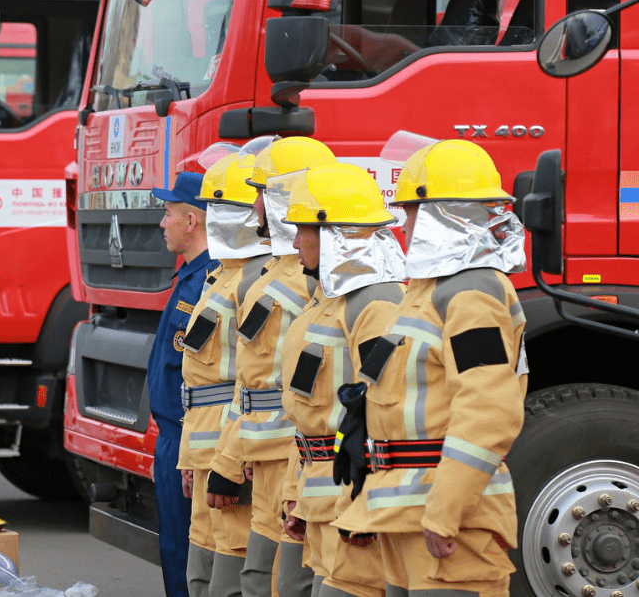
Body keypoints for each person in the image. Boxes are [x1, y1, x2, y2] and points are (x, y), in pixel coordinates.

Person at [333, 138, 527, 596]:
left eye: (415, 211)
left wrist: (445, 511)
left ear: (449, 213)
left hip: (448, 527)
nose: (405, 223)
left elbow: (489, 411)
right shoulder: (422, 294)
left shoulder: (471, 293)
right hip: (406, 518)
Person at [209, 136, 335, 597]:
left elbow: (287, 389)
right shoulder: (277, 274)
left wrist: (231, 456)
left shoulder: (304, 281)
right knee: (262, 581)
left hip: (287, 457)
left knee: (277, 583)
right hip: (268, 459)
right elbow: (249, 383)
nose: (256, 205)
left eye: (263, 192)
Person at [280, 163, 406, 597]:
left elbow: (379, 415)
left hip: (350, 502)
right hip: (321, 498)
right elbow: (309, 416)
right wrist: (296, 496)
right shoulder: (330, 301)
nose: (294, 242)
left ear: (334, 235)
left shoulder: (376, 303)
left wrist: (365, 506)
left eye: (302, 231)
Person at [178, 150, 271, 597]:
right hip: (206, 448)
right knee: (201, 565)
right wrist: (190, 459)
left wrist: (229, 462)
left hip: (228, 450)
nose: (210, 217)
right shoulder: (222, 276)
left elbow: (250, 382)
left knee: (229, 573)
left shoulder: (254, 281)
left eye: (220, 207)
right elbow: (199, 380)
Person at [148, 171, 216, 597]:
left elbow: (207, 379)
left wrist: (190, 449)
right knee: (174, 551)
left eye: (168, 212)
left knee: (188, 555)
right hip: (173, 439)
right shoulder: (189, 279)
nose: (162, 222)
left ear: (192, 221)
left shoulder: (207, 283)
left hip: (185, 440)